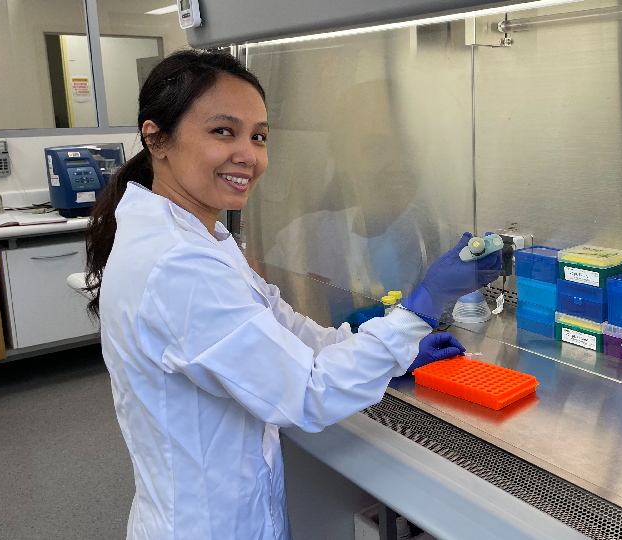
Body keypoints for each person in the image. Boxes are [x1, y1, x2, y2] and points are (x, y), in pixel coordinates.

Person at [84, 50, 500, 540]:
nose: (248, 154)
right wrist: (422, 307)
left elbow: (290, 332)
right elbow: (308, 392)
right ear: (156, 138)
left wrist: (396, 352)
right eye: (223, 131)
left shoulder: (200, 240)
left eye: (258, 136)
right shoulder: (179, 264)